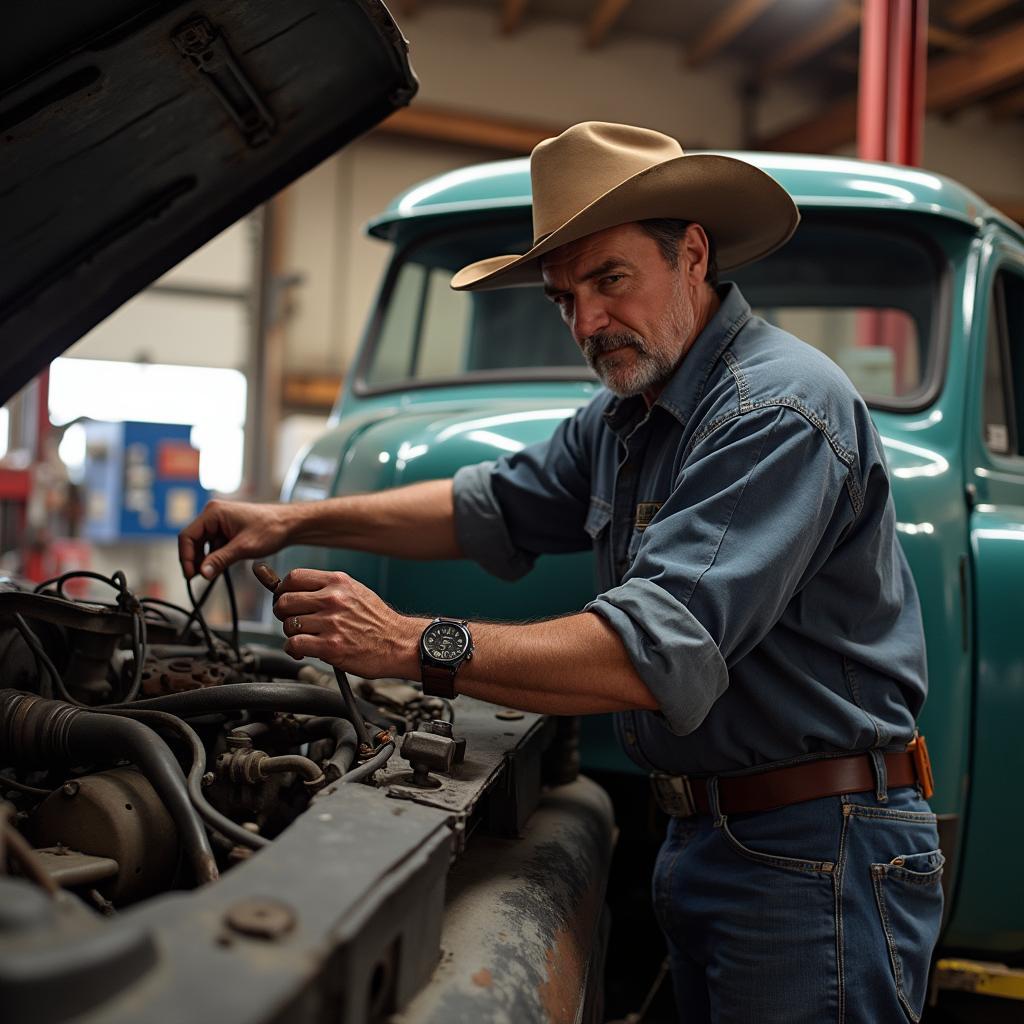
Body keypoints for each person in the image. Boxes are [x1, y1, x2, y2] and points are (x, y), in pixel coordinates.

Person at [179, 122, 944, 1023]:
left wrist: (400, 642)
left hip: (816, 848)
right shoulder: (630, 414)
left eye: (609, 280)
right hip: (713, 835)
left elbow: (648, 653)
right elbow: (490, 504)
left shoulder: (775, 409)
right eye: (562, 296)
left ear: (692, 254)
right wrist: (290, 518)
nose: (586, 322)